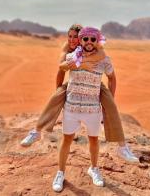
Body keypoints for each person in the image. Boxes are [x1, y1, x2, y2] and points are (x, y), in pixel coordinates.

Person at [20, 24, 139, 164]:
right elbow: (61, 69)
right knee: (55, 99)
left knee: (111, 106)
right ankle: (37, 131)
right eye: (70, 36)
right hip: (73, 83)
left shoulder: (95, 47)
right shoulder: (67, 49)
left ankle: (122, 147)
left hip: (95, 84)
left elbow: (101, 56)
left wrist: (84, 61)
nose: (72, 40)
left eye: (75, 37)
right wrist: (59, 90)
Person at [52, 27, 118, 191]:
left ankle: (94, 169)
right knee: (67, 139)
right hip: (72, 107)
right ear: (80, 41)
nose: (89, 42)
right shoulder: (71, 58)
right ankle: (60, 173)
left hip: (93, 109)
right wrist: (59, 94)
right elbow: (60, 71)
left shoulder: (104, 60)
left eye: (92, 39)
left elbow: (112, 78)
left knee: (94, 139)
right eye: (85, 39)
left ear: (97, 41)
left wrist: (109, 101)